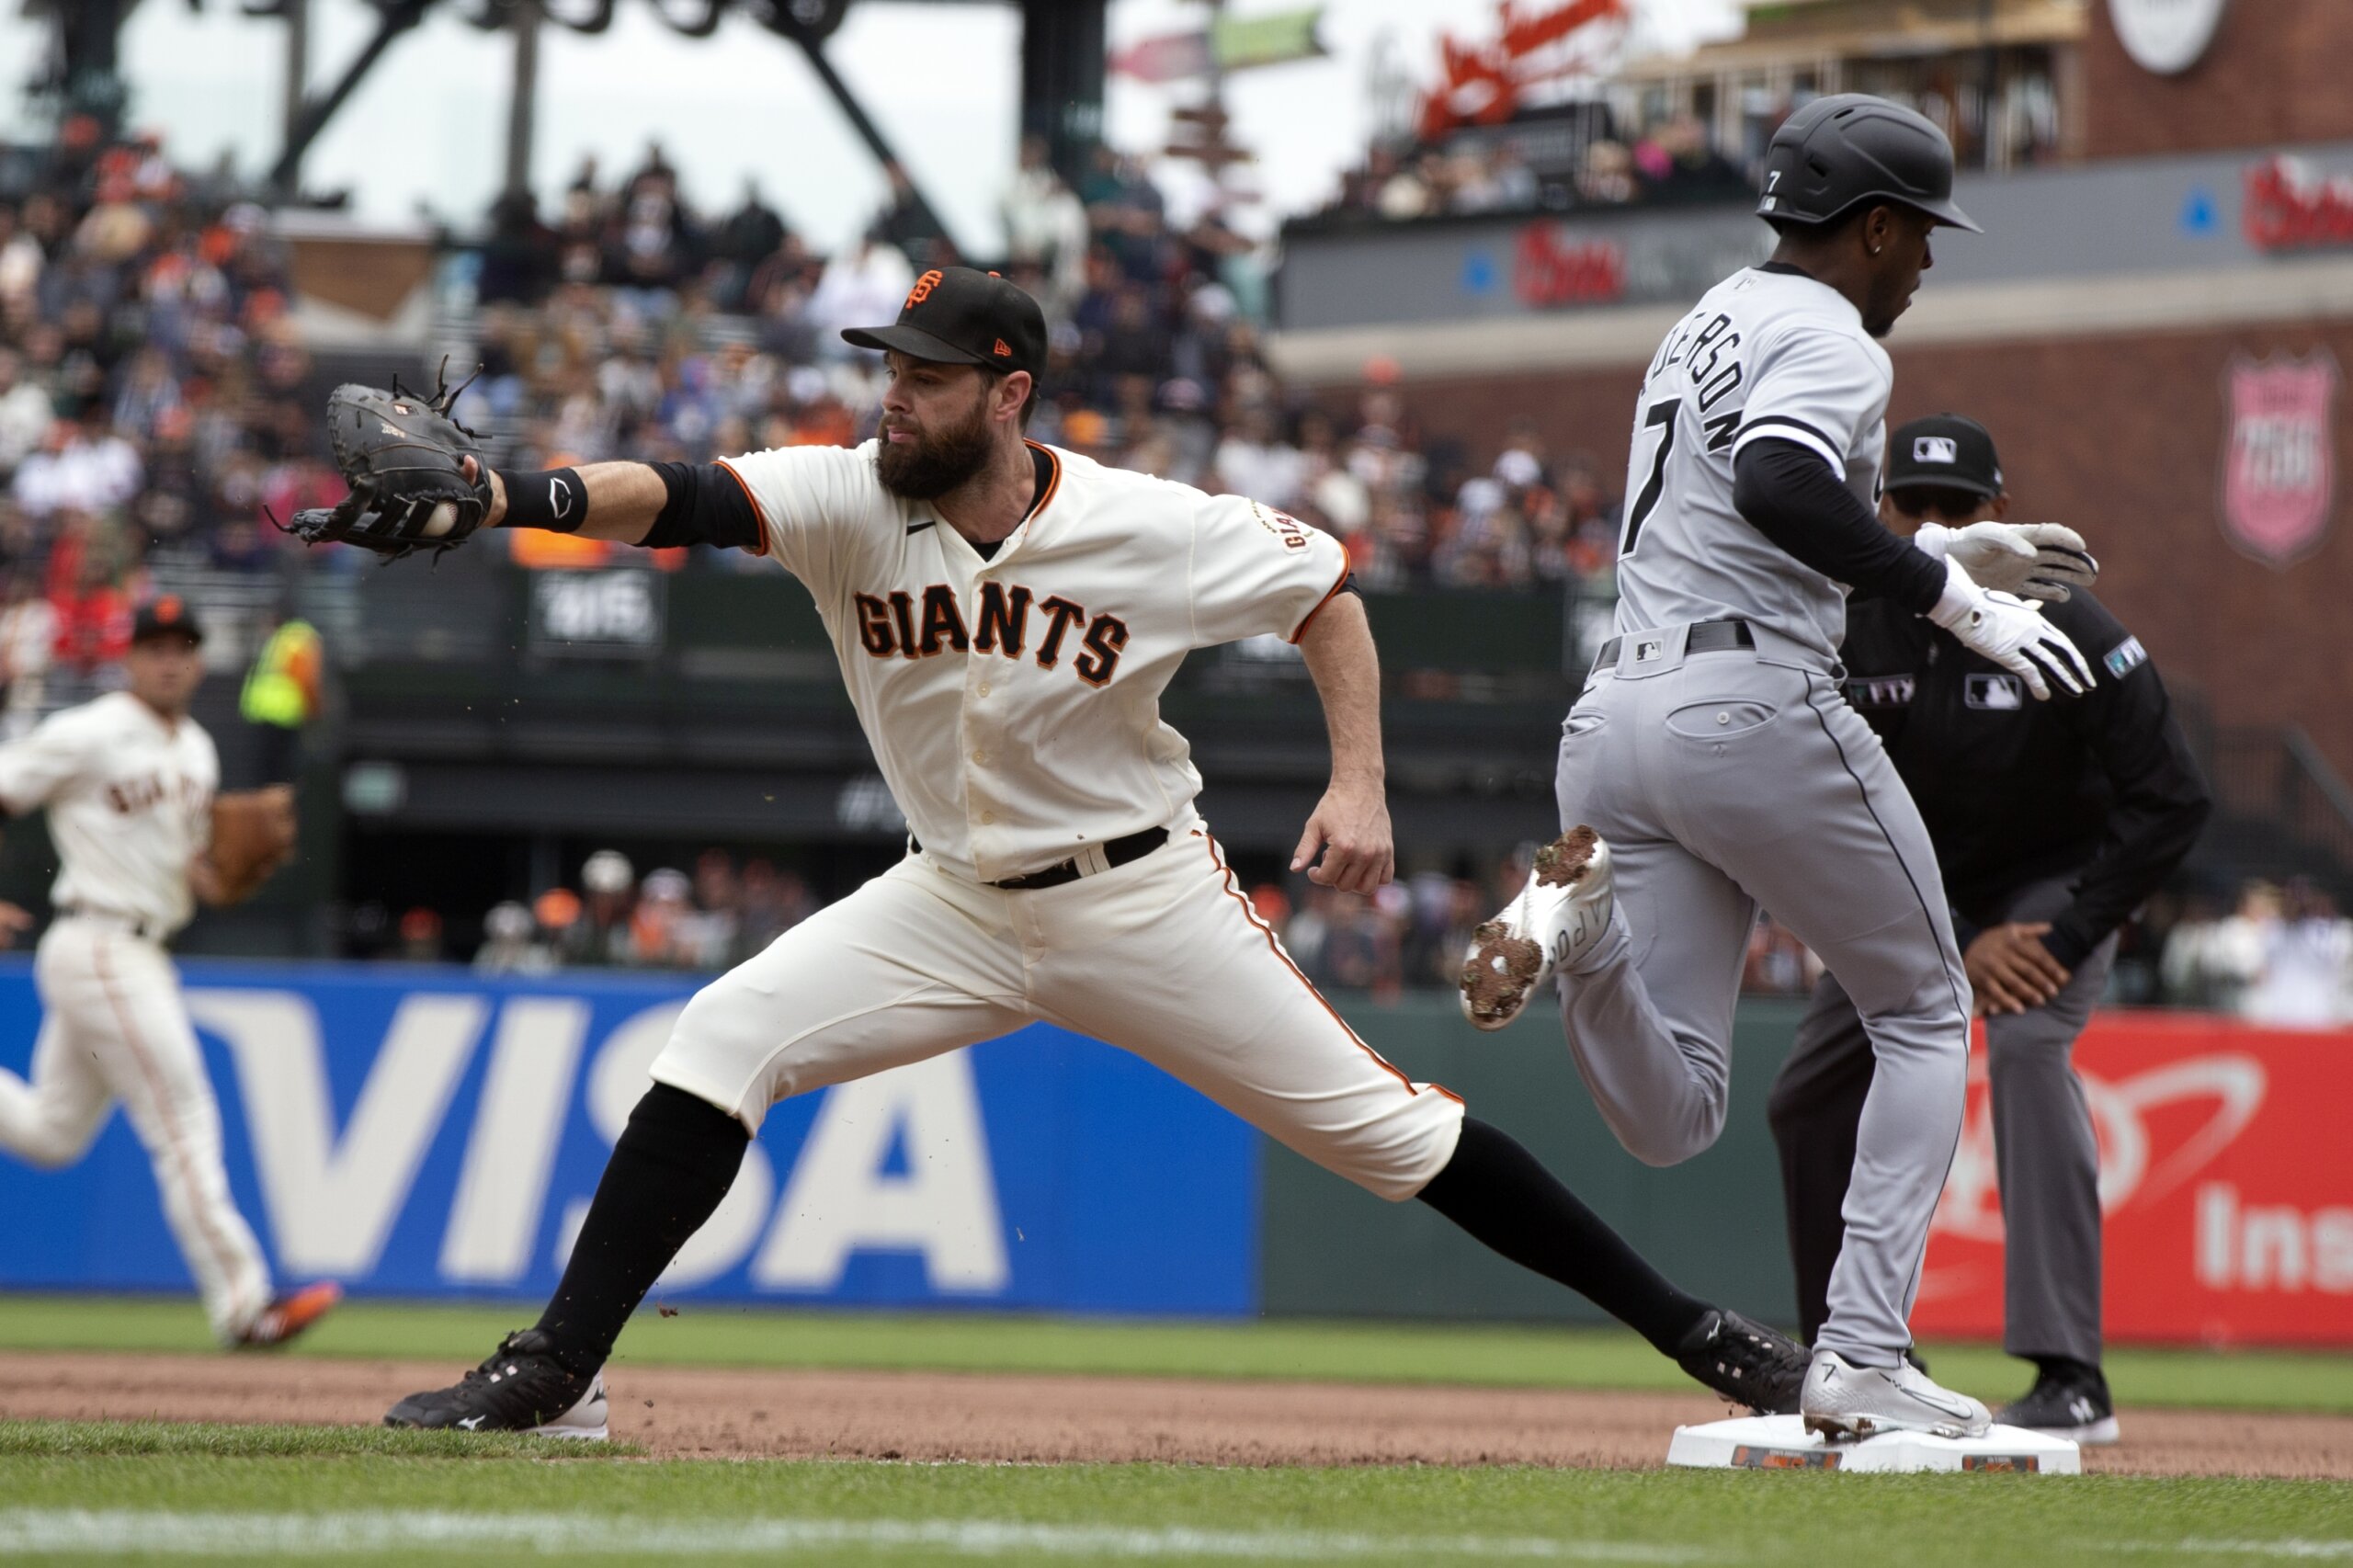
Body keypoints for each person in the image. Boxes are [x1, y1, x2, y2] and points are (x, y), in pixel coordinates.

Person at [382, 266, 1807, 1437]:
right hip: (946, 895)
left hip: (1140, 894)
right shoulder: (848, 496)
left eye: (928, 376)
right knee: (717, 1035)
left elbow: (1328, 592)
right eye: (890, 367)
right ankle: (558, 1371)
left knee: (1391, 1134)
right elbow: (683, 494)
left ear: (1009, 393)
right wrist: (509, 497)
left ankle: (1700, 1333)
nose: (895, 395)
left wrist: (1359, 781)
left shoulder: (1149, 527)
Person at [1458, 97, 2098, 1442]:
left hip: (1615, 719)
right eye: (1918, 234)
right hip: (1746, 705)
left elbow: (1755, 507)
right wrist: (1948, 593)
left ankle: (1579, 935)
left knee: (1675, 1112)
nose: (1923, 262)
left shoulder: (1708, 319)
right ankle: (1862, 1351)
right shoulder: (1836, 334)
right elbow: (1774, 487)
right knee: (1925, 1006)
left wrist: (1935, 554)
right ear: (1870, 227)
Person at [1767, 414, 2211, 1446]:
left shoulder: (2066, 617)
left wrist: (2066, 935)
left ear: (1999, 514)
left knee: (2024, 1043)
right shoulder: (1841, 618)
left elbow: (2172, 795)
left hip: (2052, 884)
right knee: (1805, 1094)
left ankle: (2070, 1373)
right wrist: (1954, 934)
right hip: (1910, 894)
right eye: (1908, 506)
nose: (1930, 523)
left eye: (1954, 507)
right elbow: (1809, 793)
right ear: (1876, 512)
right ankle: (1849, 1356)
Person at [0, 597, 340, 1347]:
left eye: (182, 645)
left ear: (198, 658)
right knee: (182, 1117)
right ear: (129, 657)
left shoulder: (196, 750)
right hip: (99, 944)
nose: (169, 658)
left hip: (138, 945)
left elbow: (197, 877)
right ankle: (245, 1303)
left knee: (53, 1134)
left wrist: (238, 873)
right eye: (154, 645)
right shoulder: (89, 731)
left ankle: (245, 1303)